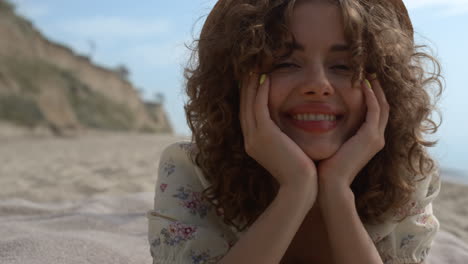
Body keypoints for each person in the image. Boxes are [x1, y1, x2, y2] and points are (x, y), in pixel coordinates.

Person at [147, 0, 443, 263]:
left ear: (384, 87)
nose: (318, 84)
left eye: (343, 66)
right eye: (285, 63)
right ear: (237, 80)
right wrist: (295, 190)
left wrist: (337, 191)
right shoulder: (192, 169)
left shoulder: (408, 181)